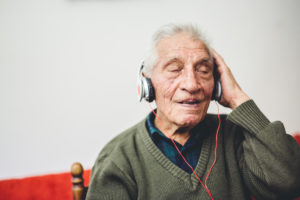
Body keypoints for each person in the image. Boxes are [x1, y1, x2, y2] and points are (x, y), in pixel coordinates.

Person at [86, 24, 300, 200]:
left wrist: (237, 98)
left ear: (216, 86)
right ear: (147, 84)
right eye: (175, 69)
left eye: (203, 70)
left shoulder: (236, 135)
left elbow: (289, 183)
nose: (192, 84)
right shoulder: (118, 158)